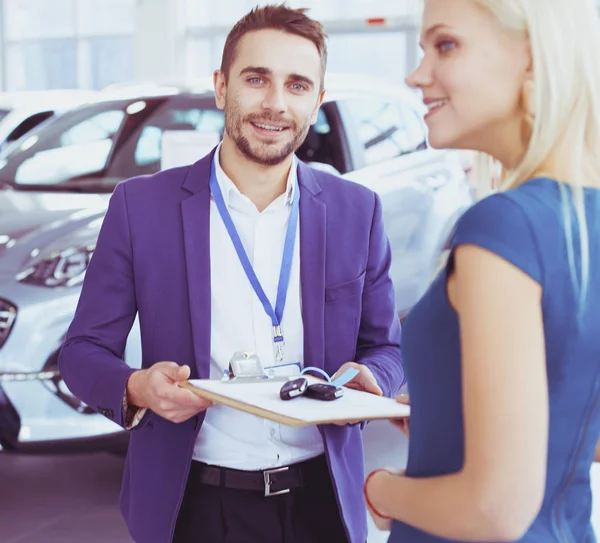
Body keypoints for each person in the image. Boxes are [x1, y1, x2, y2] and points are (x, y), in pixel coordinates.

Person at [58, 5, 404, 543]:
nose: (275, 103)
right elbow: (80, 352)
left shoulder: (357, 211)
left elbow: (387, 347)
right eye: (256, 78)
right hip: (193, 506)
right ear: (221, 87)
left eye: (296, 85)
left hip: (322, 507)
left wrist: (372, 380)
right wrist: (136, 387)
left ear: (316, 100)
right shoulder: (141, 207)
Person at [363, 0, 600, 542]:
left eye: (445, 45)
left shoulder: (504, 226)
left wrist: (380, 490)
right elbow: (576, 412)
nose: (415, 74)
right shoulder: (584, 218)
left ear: (535, 59)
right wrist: (451, 407)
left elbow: (492, 511)